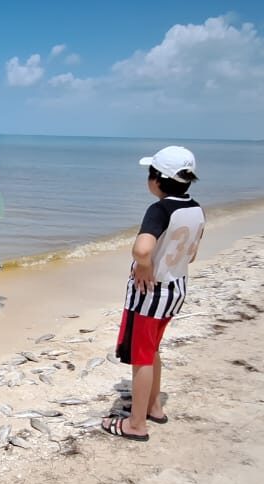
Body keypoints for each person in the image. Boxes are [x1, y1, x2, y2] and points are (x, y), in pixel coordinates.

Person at [101, 146, 205, 442]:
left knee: (141, 356)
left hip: (150, 295)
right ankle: (154, 406)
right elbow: (193, 253)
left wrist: (145, 265)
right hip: (176, 289)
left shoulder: (159, 210)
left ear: (157, 179)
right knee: (153, 348)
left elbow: (141, 248)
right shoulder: (196, 209)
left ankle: (136, 424)